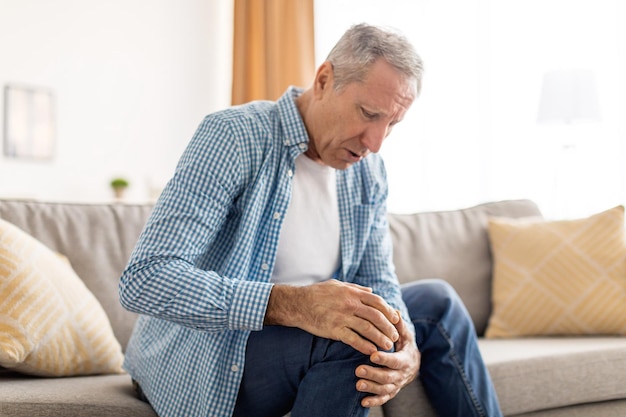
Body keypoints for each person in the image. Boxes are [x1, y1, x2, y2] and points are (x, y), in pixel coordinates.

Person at [119, 23, 503, 417]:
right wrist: (294, 305)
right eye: (368, 113)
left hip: (304, 339)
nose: (375, 142)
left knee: (437, 303)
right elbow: (145, 279)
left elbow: (379, 281)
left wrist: (407, 348)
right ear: (324, 80)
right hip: (212, 351)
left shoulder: (368, 173)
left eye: (392, 124)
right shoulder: (234, 137)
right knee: (355, 339)